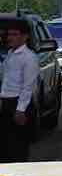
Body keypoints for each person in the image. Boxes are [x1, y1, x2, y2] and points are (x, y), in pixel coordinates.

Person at [0, 19, 39, 163]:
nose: (11, 37)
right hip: (6, 102)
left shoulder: (29, 57)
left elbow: (28, 86)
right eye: (9, 34)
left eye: (15, 34)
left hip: (19, 104)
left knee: (18, 147)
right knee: (5, 147)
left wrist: (20, 109)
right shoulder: (10, 54)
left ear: (25, 36)